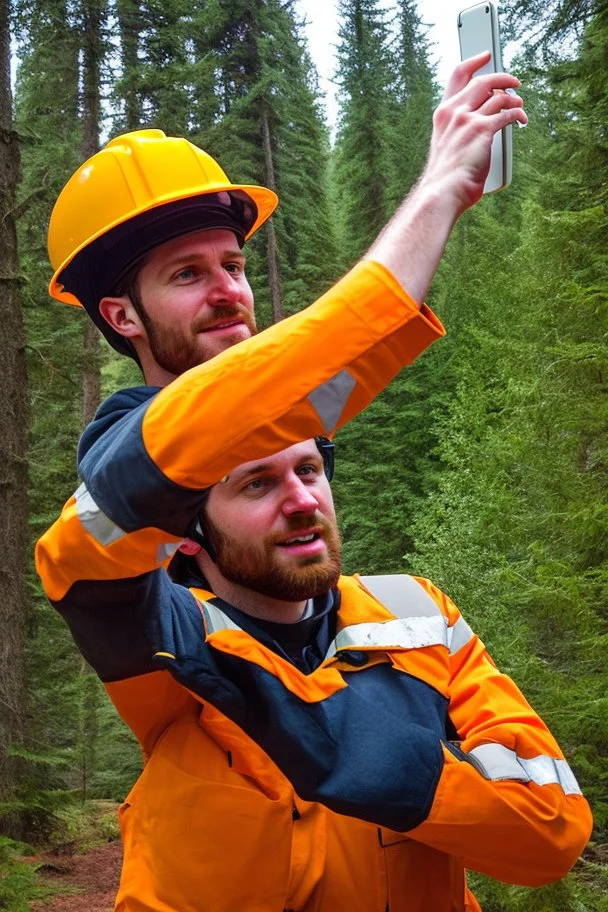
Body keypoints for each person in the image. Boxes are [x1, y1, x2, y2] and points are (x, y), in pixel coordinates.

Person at [35, 55, 560, 910]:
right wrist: (433, 196)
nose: (229, 293)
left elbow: (547, 833)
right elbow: (154, 465)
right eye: (187, 274)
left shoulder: (414, 617)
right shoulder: (152, 610)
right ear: (121, 316)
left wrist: (356, 745)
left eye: (233, 265)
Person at [40, 434, 592, 911]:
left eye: (308, 470)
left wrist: (360, 756)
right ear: (185, 532)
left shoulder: (415, 610)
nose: (304, 500)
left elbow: (551, 832)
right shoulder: (165, 644)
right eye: (257, 484)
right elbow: (78, 555)